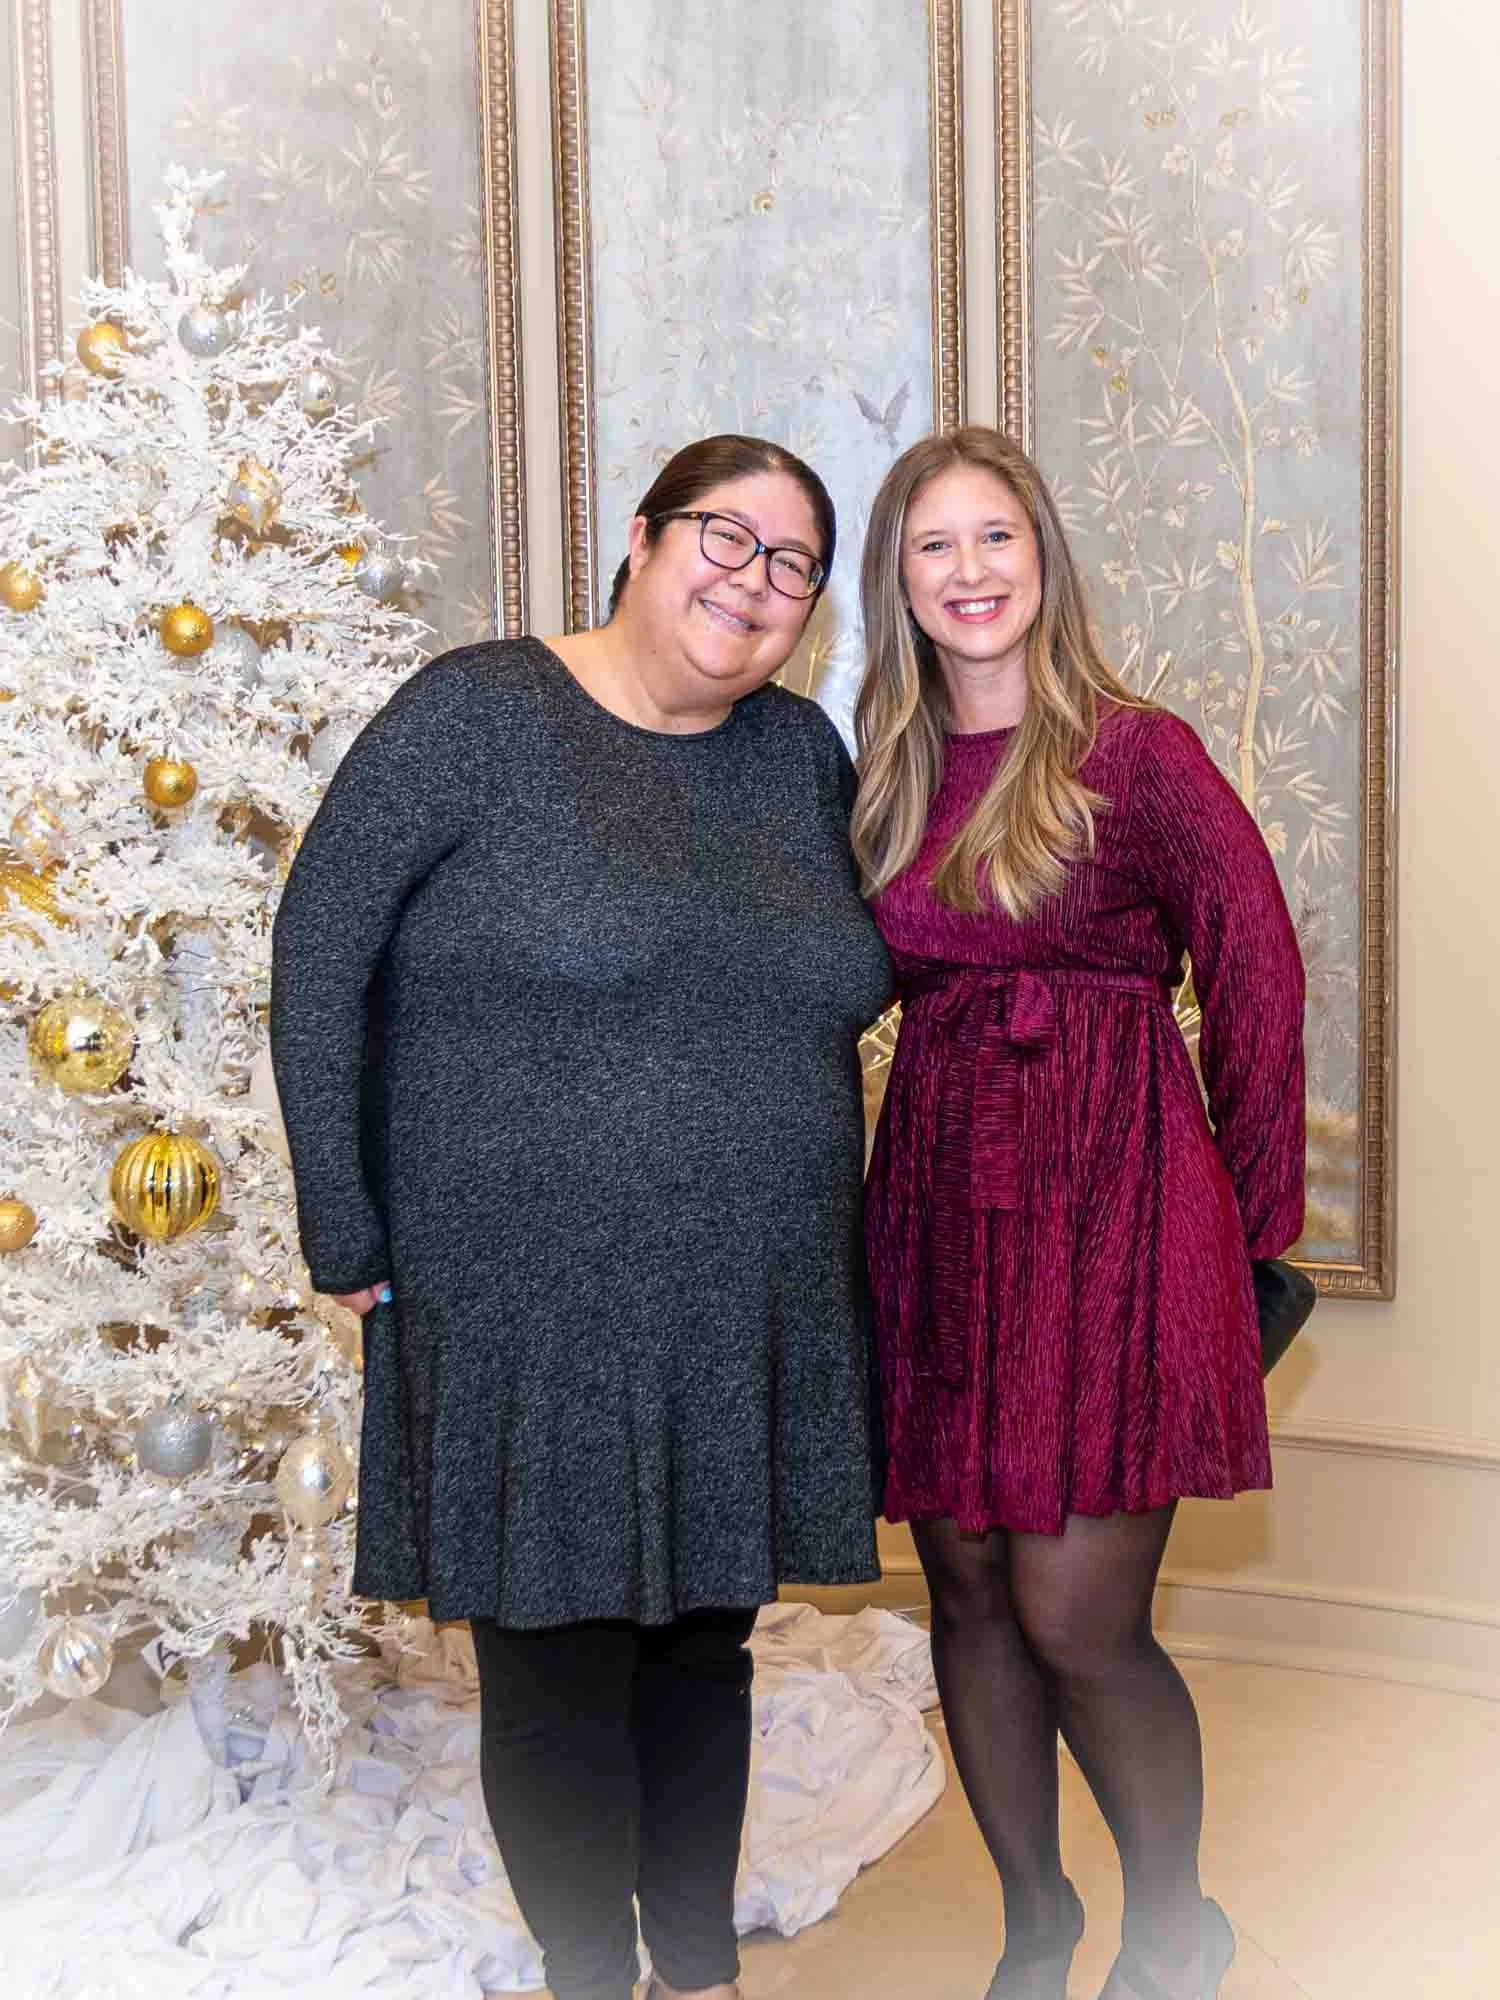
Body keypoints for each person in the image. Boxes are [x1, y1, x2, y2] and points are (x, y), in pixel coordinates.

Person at [269, 434, 890, 2000]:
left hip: (747, 1295)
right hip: (524, 1288)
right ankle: (583, 1975)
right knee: (556, 1659)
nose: (752, 583)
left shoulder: (798, 755)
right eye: (724, 537)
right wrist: (341, 1226)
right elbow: (318, 953)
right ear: (641, 536)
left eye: (792, 564)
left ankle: (696, 1966)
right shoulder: (478, 714)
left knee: (704, 1646)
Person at [853, 428, 1305, 2000]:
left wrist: (1251, 1243)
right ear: (897, 584)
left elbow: (1257, 967)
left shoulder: (1136, 752)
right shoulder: (887, 766)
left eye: (996, 539)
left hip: (1115, 1205)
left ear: (1043, 560)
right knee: (966, 1587)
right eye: (934, 547)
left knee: (1077, 1614)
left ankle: (1177, 1920)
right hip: (938, 1212)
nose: (969, 573)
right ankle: (1035, 1920)